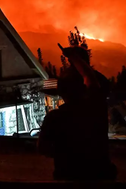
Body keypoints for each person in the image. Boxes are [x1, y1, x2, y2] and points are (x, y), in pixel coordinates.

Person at [38, 46, 117, 181]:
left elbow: (43, 148)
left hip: (66, 178)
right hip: (99, 178)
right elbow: (92, 81)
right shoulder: (95, 109)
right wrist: (75, 58)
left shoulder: (54, 118)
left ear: (62, 91)